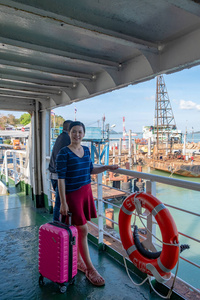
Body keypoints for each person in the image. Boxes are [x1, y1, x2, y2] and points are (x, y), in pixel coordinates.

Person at [56, 121, 118, 287]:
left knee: (80, 228)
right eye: (74, 132)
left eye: (80, 132)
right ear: (69, 133)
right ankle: (90, 268)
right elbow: (60, 179)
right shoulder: (64, 153)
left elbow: (90, 169)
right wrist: (63, 202)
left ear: (83, 134)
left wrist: (106, 166)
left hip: (86, 191)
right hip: (73, 194)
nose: (77, 135)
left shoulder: (87, 150)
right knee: (83, 229)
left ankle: (78, 261)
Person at [49, 119, 72, 221]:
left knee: (59, 203)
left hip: (53, 174)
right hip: (59, 176)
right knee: (59, 203)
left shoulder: (60, 137)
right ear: (70, 128)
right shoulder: (67, 139)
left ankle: (58, 225)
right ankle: (56, 226)